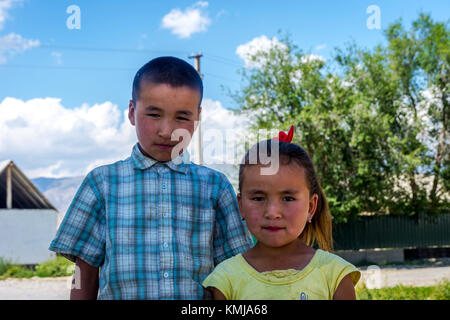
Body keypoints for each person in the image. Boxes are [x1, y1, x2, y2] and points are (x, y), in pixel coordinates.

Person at [49, 56, 253, 300]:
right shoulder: (102, 184)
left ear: (197, 118)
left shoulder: (215, 187)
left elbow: (231, 272)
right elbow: (86, 275)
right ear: (132, 112)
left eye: (182, 117)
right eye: (154, 114)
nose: (167, 131)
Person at [202, 127, 361, 300]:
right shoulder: (225, 280)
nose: (272, 213)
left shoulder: (335, 275)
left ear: (311, 207)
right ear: (241, 206)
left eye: (287, 198)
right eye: (258, 198)